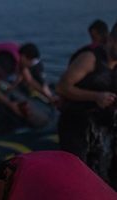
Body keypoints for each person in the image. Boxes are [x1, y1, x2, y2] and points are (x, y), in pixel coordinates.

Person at [56, 21, 117, 190]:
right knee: (78, 176)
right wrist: (96, 96)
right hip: (77, 125)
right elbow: (62, 86)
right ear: (111, 40)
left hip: (103, 128)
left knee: (104, 175)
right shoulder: (90, 58)